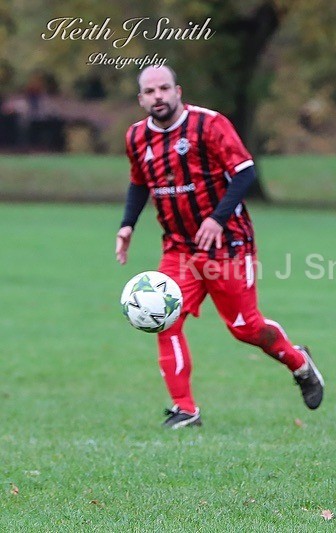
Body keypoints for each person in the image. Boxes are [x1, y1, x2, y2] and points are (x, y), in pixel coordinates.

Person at [115, 66, 324, 428]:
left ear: (178, 91)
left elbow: (245, 172)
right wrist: (127, 225)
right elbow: (139, 183)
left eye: (164, 88)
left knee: (246, 328)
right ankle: (185, 410)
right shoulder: (136, 137)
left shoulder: (209, 125)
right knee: (165, 318)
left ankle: (300, 363)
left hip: (229, 245)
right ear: (141, 99)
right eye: (150, 91)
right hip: (179, 248)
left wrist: (216, 219)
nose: (158, 96)